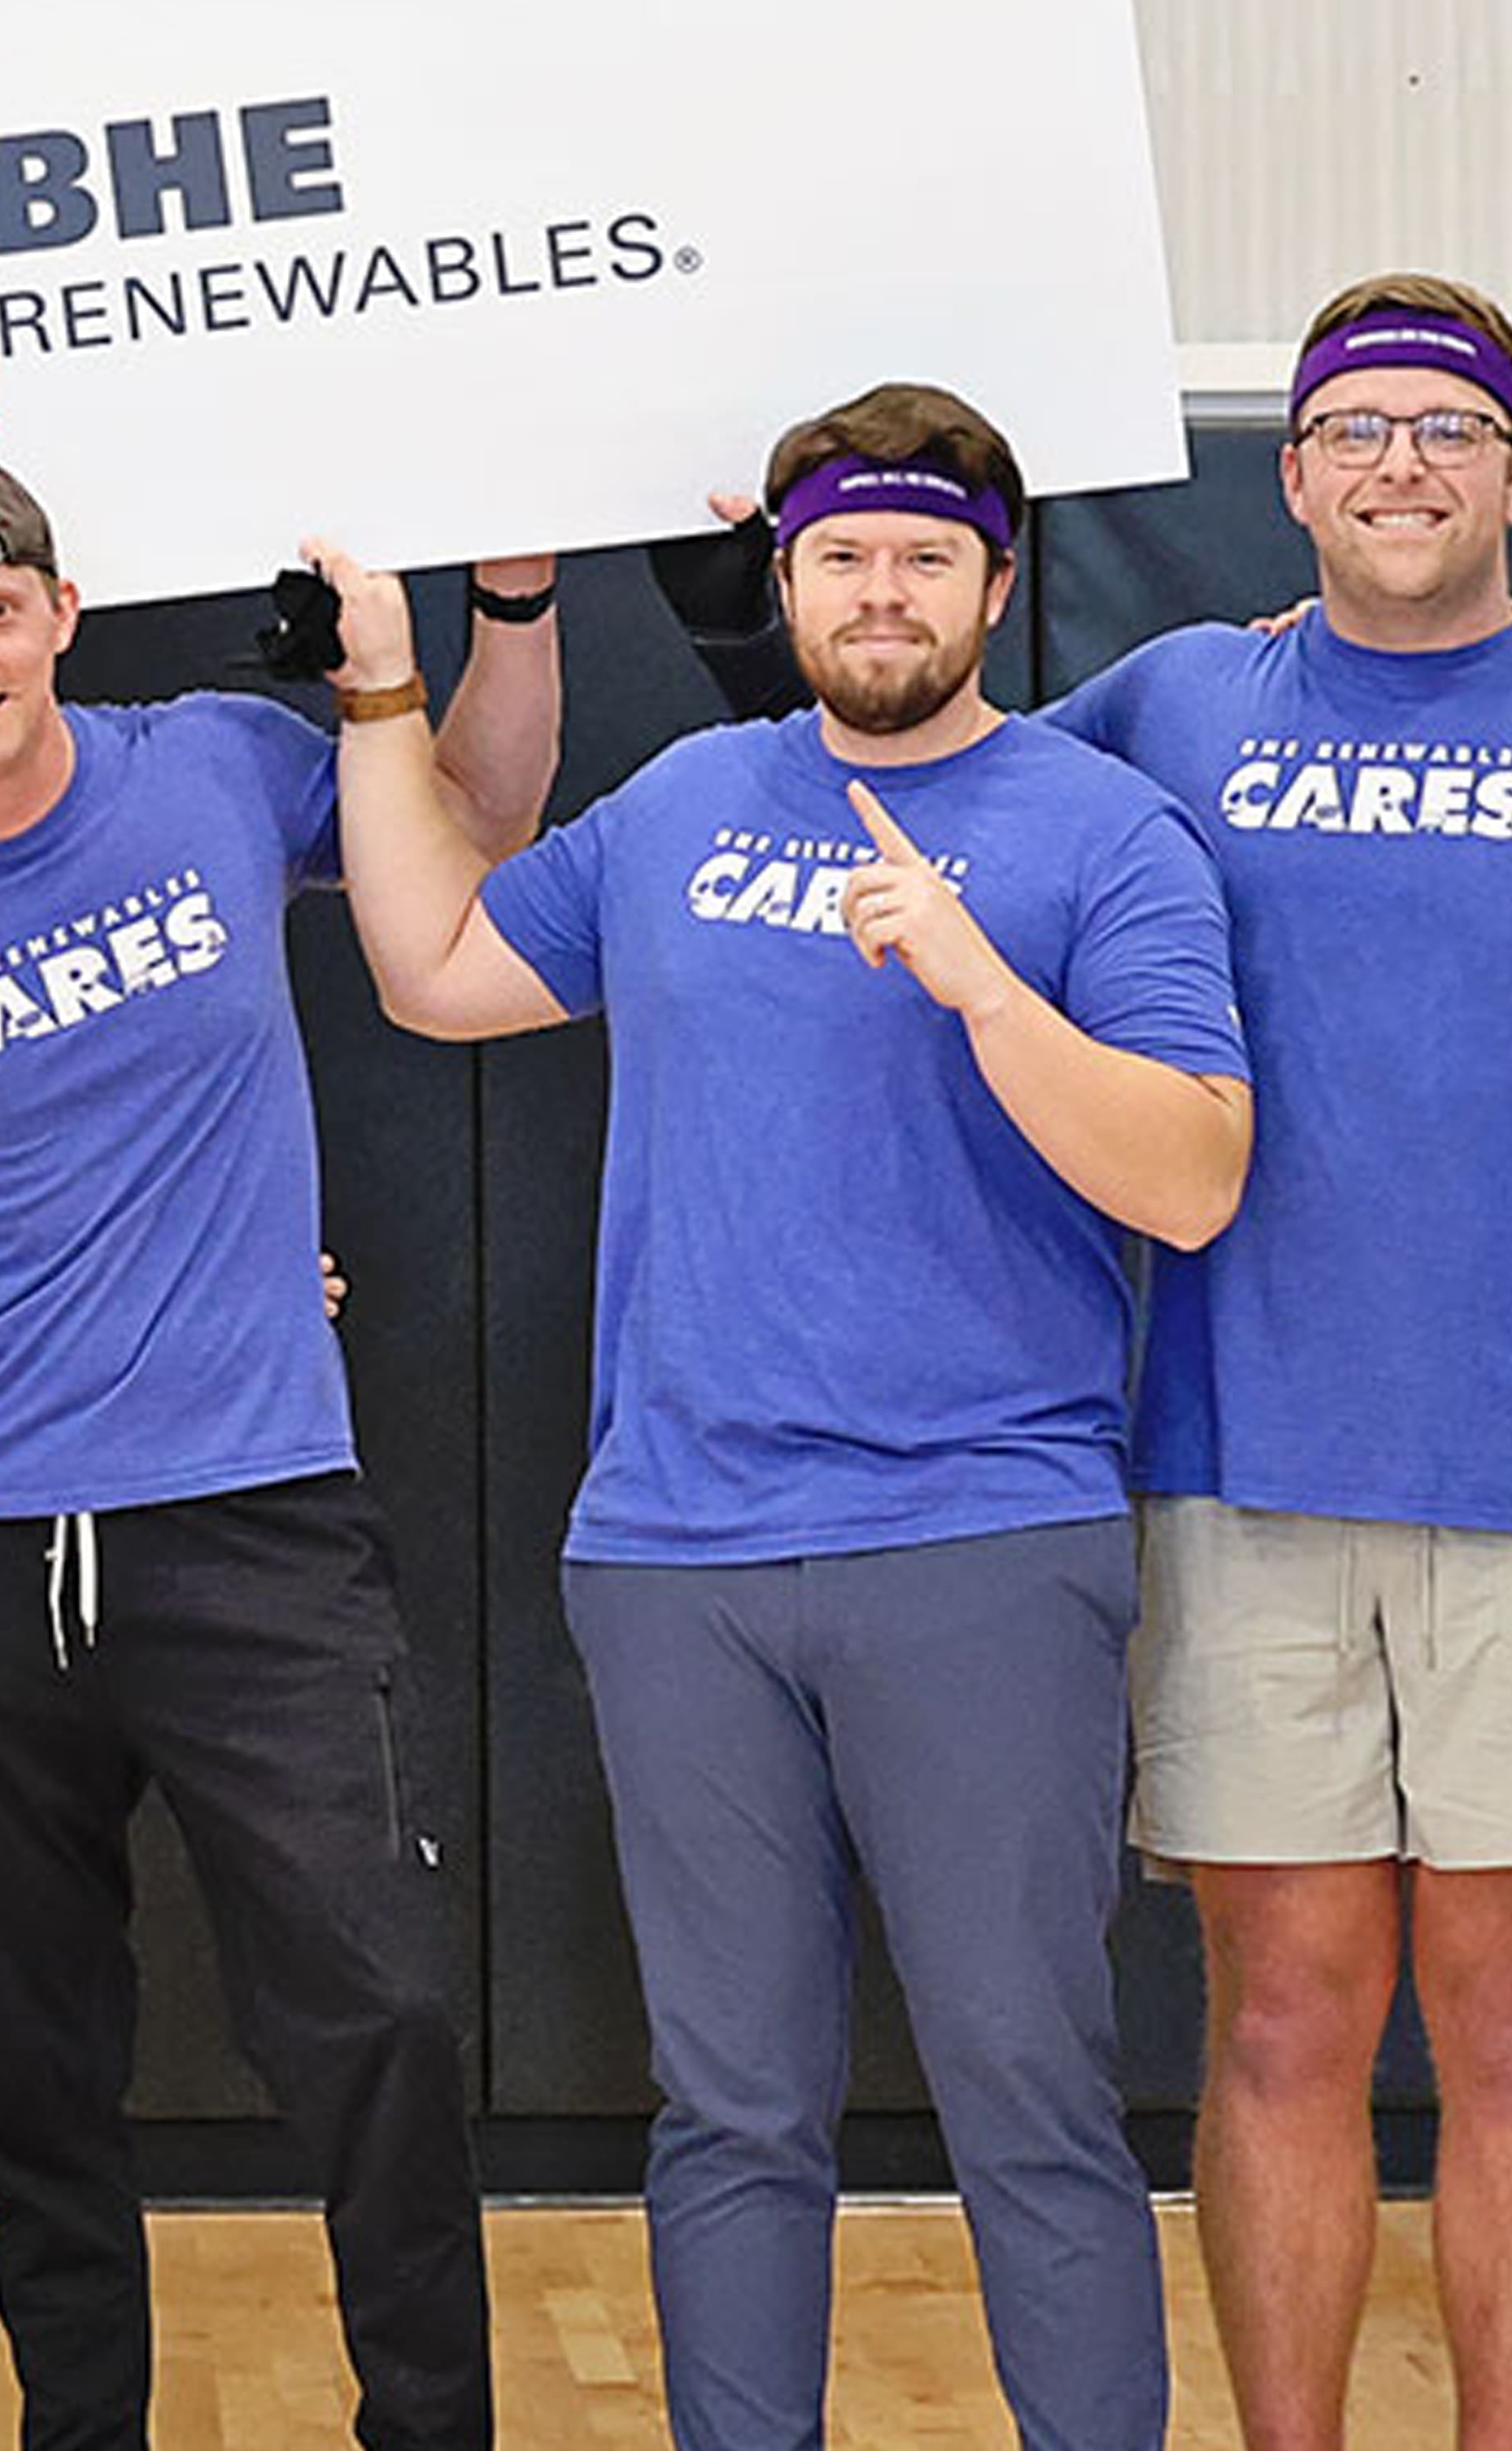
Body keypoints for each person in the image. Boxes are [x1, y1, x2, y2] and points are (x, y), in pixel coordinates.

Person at [655, 276, 1512, 2451]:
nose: (1403, 463)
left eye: (1450, 430)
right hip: (1242, 1461)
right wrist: (728, 610)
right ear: (1296, 478)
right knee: (1282, 2023)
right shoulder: (1173, 708)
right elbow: (908, 758)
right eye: (1358, 429)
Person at [337, 386, 1243, 2451]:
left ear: (996, 590)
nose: (882, 588)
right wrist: (388, 688)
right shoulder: (680, 803)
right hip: (678, 1555)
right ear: (787, 576)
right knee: (731, 2105)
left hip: (979, 1549)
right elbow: (434, 969)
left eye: (927, 555)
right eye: (844, 552)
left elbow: (1191, 1175)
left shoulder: (1098, 836)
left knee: (1025, 2087)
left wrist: (985, 988)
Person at [0, 451, 542, 2451]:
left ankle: (429, 2427)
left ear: (56, 610)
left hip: (250, 1516)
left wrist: (500, 626)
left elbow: (469, 830)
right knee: (32, 2063)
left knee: (375, 2011)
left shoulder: (210, 762)